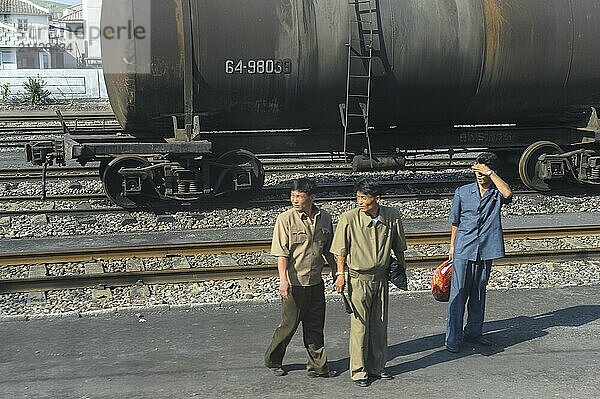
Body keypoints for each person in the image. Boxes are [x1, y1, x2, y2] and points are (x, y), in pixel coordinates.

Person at [331, 179, 407, 387]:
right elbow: (341, 251)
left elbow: (398, 247)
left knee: (379, 325)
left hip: (381, 280)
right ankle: (358, 371)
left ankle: (377, 366)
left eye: (364, 198)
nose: (360, 202)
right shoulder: (348, 218)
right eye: (358, 197)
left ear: (377, 199)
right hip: (358, 280)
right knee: (359, 327)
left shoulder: (392, 216)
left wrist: (401, 270)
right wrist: (340, 275)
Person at [265, 178, 339, 378]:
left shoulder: (325, 218)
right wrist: (283, 281)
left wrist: (336, 272)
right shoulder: (285, 219)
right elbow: (282, 254)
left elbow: (329, 250)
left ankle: (318, 367)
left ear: (312, 197)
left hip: (315, 283)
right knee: (288, 326)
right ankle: (273, 360)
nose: (295, 200)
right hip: (294, 284)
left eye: (299, 196)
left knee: (315, 326)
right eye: (293, 196)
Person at [446, 152, 513, 353]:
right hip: (464, 248)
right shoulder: (462, 192)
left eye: (482, 172)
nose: (479, 175)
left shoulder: (496, 193)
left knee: (478, 293)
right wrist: (452, 247)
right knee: (457, 295)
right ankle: (453, 338)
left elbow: (508, 193)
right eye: (477, 171)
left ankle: (474, 333)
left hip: (486, 249)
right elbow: (455, 222)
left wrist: (490, 173)